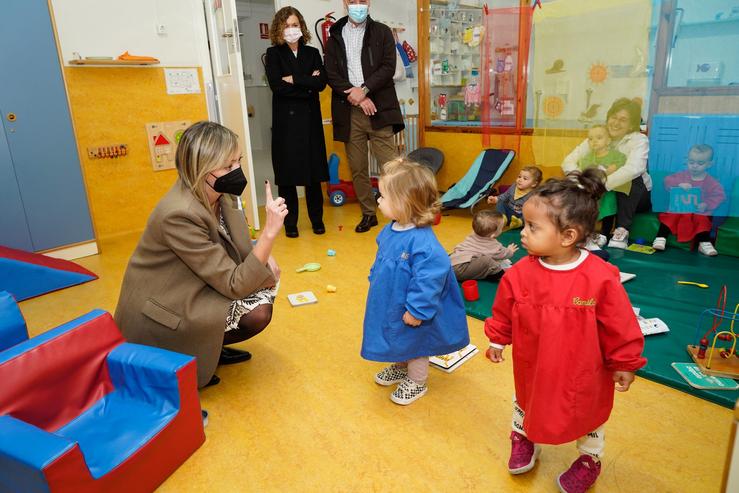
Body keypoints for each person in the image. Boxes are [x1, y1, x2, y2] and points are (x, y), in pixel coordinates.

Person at [484, 169, 646, 493]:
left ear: (568, 236)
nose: (523, 234)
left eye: (533, 227)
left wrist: (625, 362)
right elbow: (503, 309)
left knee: (589, 413)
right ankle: (523, 436)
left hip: (584, 370)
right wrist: (498, 339)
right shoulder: (520, 273)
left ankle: (590, 459)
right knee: (526, 399)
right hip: (535, 363)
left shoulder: (600, 277)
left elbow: (620, 323)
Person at [115, 121, 288, 389]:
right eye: (228, 165)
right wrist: (268, 234)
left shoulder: (219, 193)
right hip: (163, 311)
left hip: (193, 287)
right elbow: (235, 284)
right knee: (257, 313)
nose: (237, 171)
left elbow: (239, 245)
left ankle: (211, 345)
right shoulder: (178, 214)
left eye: (238, 161)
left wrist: (261, 253)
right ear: (202, 169)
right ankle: (196, 350)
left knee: (264, 285)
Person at [361, 159, 469, 405]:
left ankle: (417, 381)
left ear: (405, 203)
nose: (378, 200)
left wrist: (418, 310)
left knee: (416, 342)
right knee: (396, 335)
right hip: (391, 298)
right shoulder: (390, 229)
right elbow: (382, 257)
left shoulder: (423, 243)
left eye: (384, 196)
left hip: (412, 306)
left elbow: (430, 279)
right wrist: (374, 277)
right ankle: (400, 365)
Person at [324, 0, 405, 233]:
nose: (357, 5)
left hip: (380, 109)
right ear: (345, 3)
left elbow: (388, 67)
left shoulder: (382, 32)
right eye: (352, 1)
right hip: (349, 110)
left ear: (368, 3)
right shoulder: (335, 34)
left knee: (391, 167)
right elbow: (331, 72)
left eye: (362, 1)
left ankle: (399, 214)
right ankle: (368, 214)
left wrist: (365, 89)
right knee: (357, 167)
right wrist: (357, 95)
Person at [265, 6, 328, 238]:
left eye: (295, 25)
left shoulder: (312, 53)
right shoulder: (273, 55)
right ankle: (290, 223)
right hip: (286, 124)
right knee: (288, 176)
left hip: (310, 122)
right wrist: (306, 84)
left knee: (312, 176)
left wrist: (294, 80)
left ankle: (317, 220)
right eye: (286, 26)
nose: (291, 29)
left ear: (301, 26)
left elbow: (321, 83)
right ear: (279, 29)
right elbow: (278, 87)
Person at [562, 98, 651, 249]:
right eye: (614, 117)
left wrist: (599, 185)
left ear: (631, 125)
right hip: (604, 193)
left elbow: (634, 168)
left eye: (623, 120)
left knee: (631, 179)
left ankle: (622, 230)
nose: (616, 123)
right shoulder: (599, 136)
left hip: (636, 196)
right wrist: (581, 182)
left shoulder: (639, 139)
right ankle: (583, 230)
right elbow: (568, 161)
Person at [652, 144, 726, 256]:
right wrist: (678, 184)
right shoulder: (682, 176)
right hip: (679, 209)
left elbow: (719, 195)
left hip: (698, 210)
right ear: (687, 161)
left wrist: (706, 204)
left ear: (709, 164)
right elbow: (667, 181)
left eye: (700, 163)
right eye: (691, 162)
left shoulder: (711, 182)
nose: (695, 166)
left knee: (703, 221)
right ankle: (661, 237)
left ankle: (704, 242)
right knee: (669, 216)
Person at [449, 209, 518, 282]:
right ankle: (500, 274)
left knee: (482, 258)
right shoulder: (492, 245)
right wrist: (510, 251)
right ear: (493, 235)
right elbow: (503, 254)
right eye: (501, 228)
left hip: (452, 263)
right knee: (488, 261)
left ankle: (483, 272)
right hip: (460, 270)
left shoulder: (473, 234)